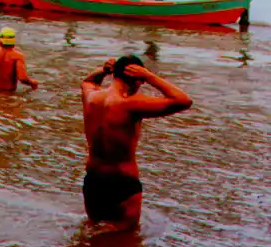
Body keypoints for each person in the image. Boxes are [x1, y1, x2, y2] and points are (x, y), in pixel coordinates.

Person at [80, 56, 193, 230]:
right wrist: (150, 77)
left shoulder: (91, 97)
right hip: (122, 181)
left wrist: (103, 70)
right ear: (138, 79)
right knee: (127, 238)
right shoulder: (130, 103)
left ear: (113, 74)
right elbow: (183, 101)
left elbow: (88, 81)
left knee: (93, 229)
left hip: (93, 179)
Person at [0, 27, 38, 93]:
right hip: (9, 94)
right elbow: (22, 78)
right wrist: (32, 83)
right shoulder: (17, 56)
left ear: (0, 40)